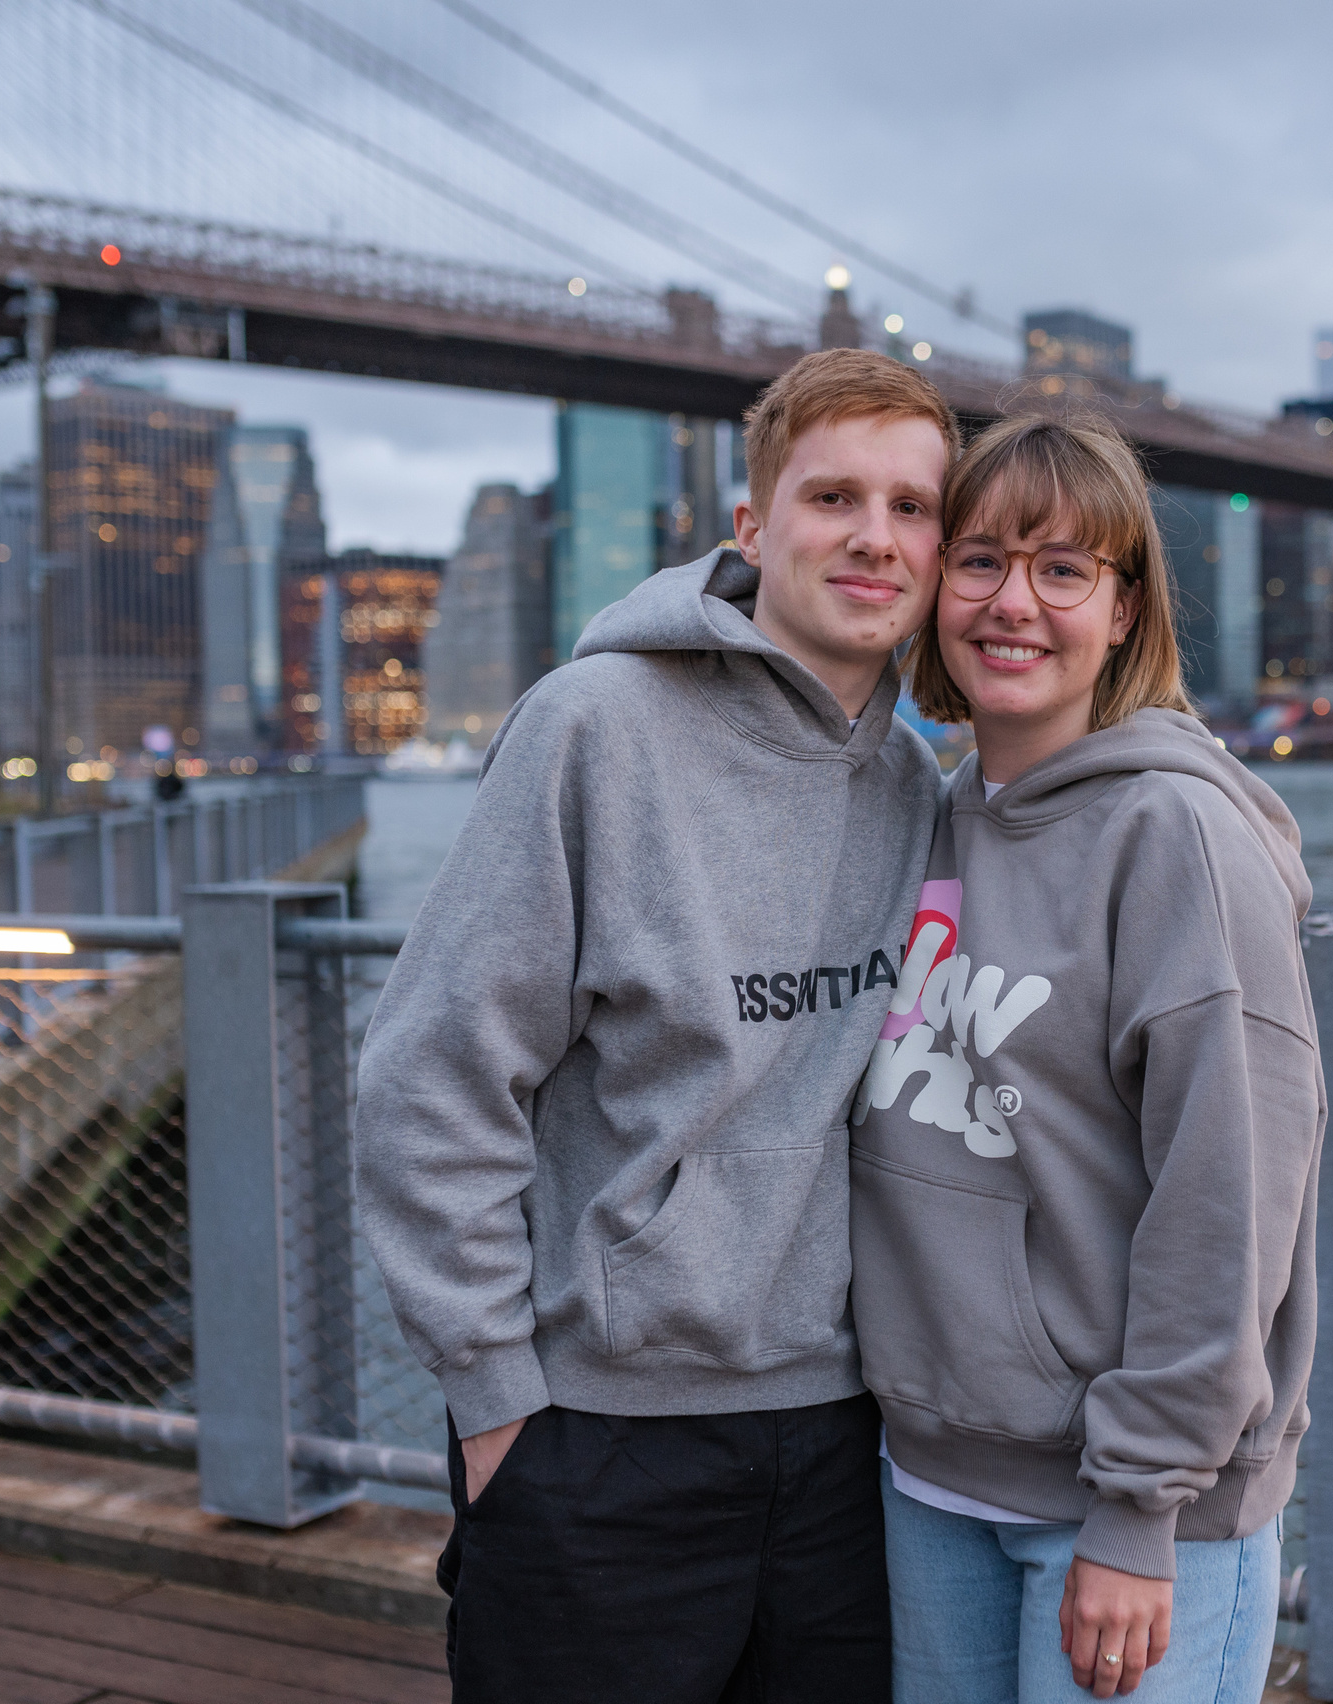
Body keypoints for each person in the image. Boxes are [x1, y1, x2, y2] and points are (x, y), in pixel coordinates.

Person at [354, 347, 958, 1704]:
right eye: (834, 497)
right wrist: (495, 1398)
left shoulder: (916, 786)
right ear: (753, 526)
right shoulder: (592, 731)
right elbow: (431, 1080)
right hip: (599, 1437)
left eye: (912, 507)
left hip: (851, 1443)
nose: (876, 537)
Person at [848, 413, 1323, 1703]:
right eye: (982, 560)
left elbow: (1226, 1202)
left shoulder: (1177, 836)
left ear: (1125, 612)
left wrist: (1138, 1507)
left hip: (1126, 1521)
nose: (1014, 603)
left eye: (1064, 570)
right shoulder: (930, 819)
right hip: (929, 1483)